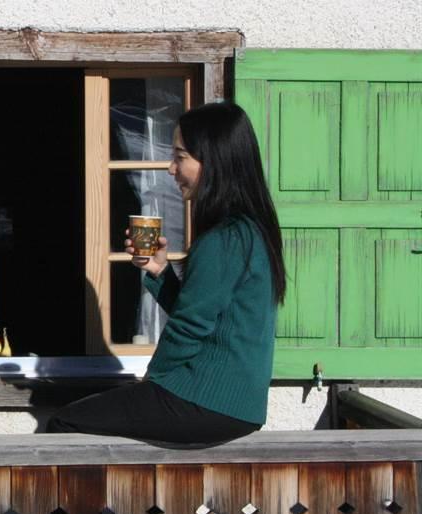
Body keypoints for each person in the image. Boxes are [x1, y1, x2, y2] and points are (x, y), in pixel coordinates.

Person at [47, 101, 286, 445]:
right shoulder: (251, 231)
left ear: (213, 160)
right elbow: (204, 314)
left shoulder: (225, 238)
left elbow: (190, 325)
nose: (171, 168)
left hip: (206, 401)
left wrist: (152, 380)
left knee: (64, 424)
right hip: (233, 406)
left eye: (180, 156)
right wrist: (160, 272)